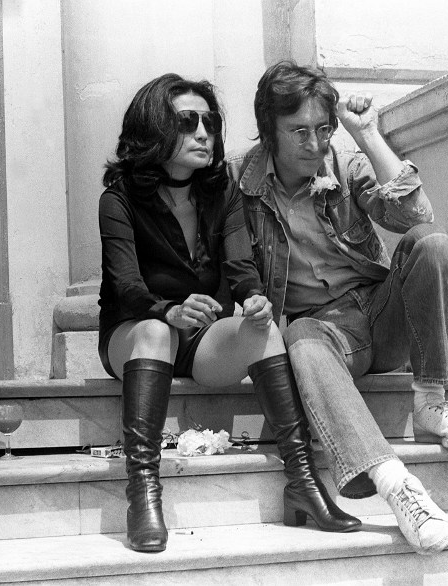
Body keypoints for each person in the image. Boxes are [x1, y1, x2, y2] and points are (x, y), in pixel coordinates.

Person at [227, 61, 448, 556]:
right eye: (299, 131)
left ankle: (431, 399)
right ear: (269, 129)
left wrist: (367, 134)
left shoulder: (344, 164)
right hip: (324, 332)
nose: (314, 143)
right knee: (300, 336)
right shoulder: (241, 179)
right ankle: (398, 487)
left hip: (381, 312)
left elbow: (416, 214)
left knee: (431, 242)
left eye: (323, 129)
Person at [98, 73, 360, 553]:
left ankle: (302, 482)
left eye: (210, 122)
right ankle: (143, 493)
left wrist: (255, 298)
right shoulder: (118, 199)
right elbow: (126, 286)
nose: (203, 133)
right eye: (188, 121)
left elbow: (241, 268)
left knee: (264, 330)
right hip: (135, 335)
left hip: (202, 341)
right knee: (155, 332)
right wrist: (167, 310)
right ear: (155, 127)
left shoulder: (223, 192)